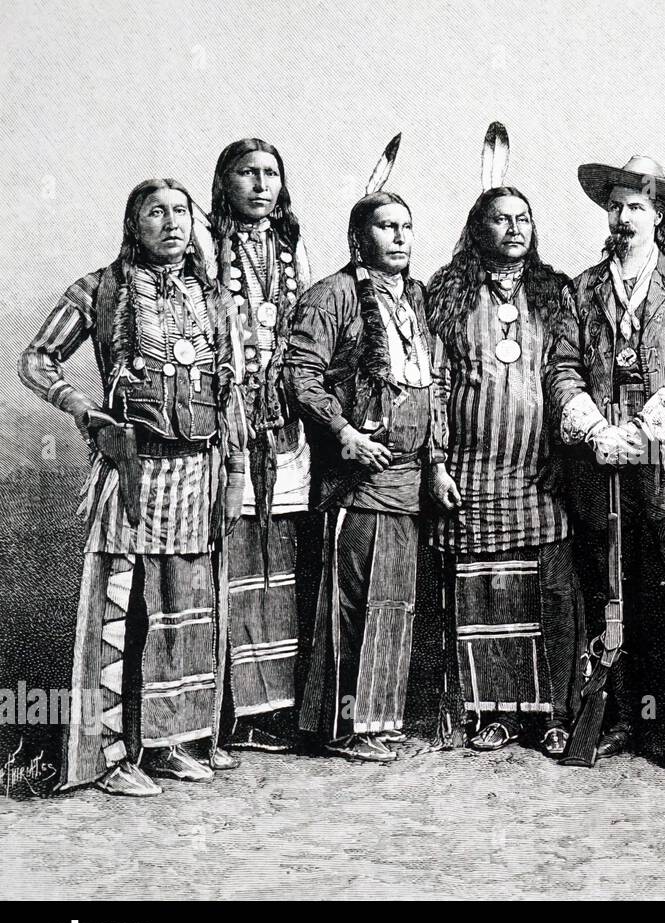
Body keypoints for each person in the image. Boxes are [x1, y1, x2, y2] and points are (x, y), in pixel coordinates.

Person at [18, 178, 247, 796]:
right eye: (156, 213)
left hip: (197, 469)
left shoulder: (213, 296)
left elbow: (231, 395)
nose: (172, 223)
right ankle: (111, 758)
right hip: (131, 467)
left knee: (185, 609)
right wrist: (81, 408)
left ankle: (169, 744)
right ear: (132, 223)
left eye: (181, 212)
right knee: (120, 608)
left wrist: (235, 474)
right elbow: (36, 359)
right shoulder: (99, 288)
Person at [545, 154, 665, 779]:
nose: (624, 217)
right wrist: (594, 427)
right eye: (617, 206)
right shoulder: (582, 288)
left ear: (660, 218)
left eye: (637, 207)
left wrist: (644, 430)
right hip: (601, 464)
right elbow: (561, 366)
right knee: (611, 590)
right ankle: (622, 717)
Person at [425, 124, 585, 757]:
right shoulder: (447, 293)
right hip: (470, 472)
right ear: (477, 229)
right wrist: (436, 461)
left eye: (523, 219)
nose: (514, 229)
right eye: (500, 219)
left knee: (548, 595)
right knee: (483, 597)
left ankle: (552, 715)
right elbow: (434, 382)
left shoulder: (555, 292)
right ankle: (491, 714)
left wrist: (568, 458)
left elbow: (573, 376)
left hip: (540, 473)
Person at [285, 190, 433, 763]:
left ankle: (377, 719)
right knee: (351, 602)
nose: (400, 237)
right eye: (386, 227)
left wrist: (436, 459)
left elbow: (430, 384)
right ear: (359, 236)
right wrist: (344, 433)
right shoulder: (333, 296)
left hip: (407, 478)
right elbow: (299, 375)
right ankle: (341, 727)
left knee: (393, 602)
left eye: (407, 226)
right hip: (358, 479)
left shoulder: (415, 298)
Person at [208, 137, 316, 762]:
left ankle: (273, 711)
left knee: (282, 567)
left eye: (272, 173)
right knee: (235, 563)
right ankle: (225, 710)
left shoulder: (292, 248)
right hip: (228, 429)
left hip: (287, 427)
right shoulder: (202, 248)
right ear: (225, 182)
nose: (261, 184)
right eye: (247, 173)